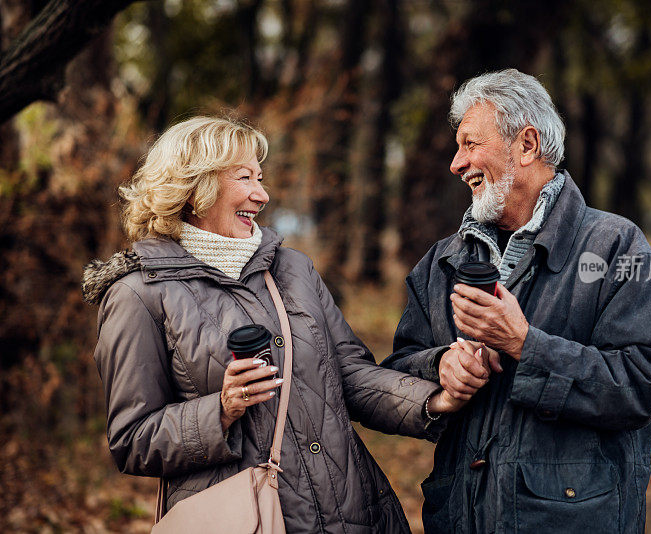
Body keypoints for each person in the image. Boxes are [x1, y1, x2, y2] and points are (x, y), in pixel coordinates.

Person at [82, 116, 470, 533]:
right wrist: (222, 409)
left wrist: (433, 400)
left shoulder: (292, 269)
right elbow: (132, 440)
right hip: (244, 520)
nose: (262, 194)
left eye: (260, 177)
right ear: (195, 188)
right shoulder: (138, 294)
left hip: (352, 513)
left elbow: (350, 375)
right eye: (245, 177)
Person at [382, 69, 651, 533]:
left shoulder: (616, 245)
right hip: (459, 518)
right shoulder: (441, 261)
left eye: (470, 144)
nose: (456, 163)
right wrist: (439, 368)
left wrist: (526, 345)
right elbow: (398, 369)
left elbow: (645, 382)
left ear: (526, 145)